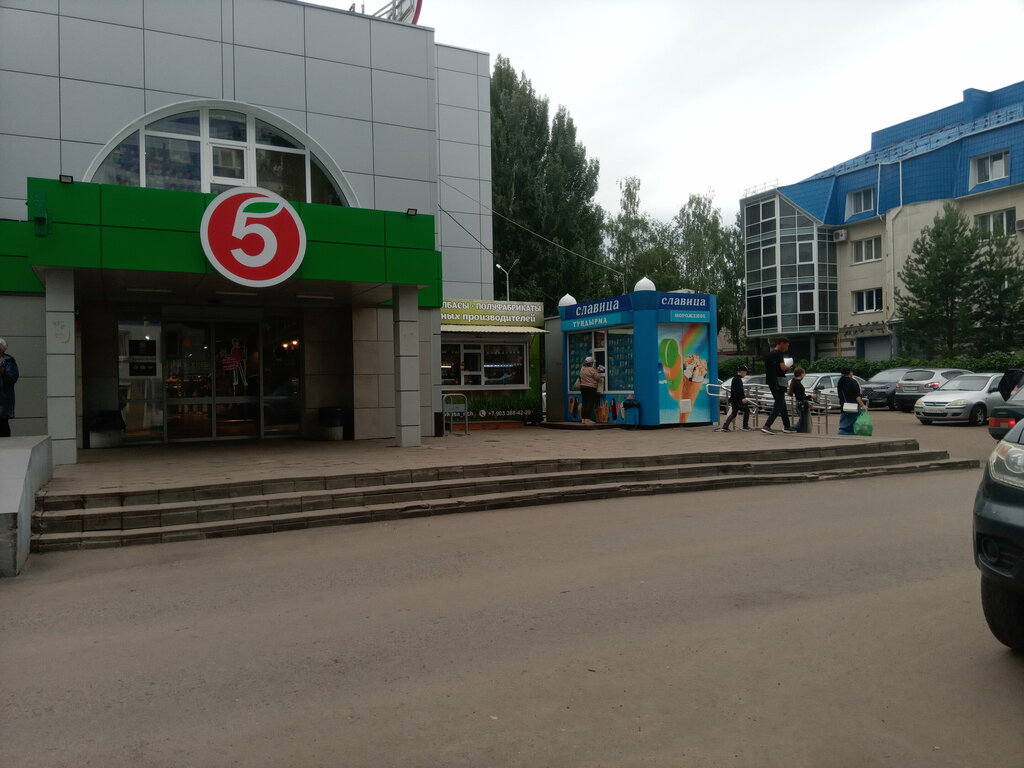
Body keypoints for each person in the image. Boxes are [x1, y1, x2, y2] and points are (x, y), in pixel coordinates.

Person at [760, 336, 795, 434]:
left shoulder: (769, 354)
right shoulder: (779, 353)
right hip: (779, 382)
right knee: (779, 404)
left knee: (782, 404)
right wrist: (789, 367)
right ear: (782, 343)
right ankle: (767, 425)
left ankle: (787, 426)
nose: (787, 348)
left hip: (771, 381)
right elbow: (782, 367)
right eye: (786, 345)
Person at [716, 364, 752, 432]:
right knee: (746, 410)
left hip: (734, 400)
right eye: (745, 372)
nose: (746, 374)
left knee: (734, 413)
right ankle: (745, 426)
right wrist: (743, 398)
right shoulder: (738, 379)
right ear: (742, 372)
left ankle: (725, 426)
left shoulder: (735, 378)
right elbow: (739, 390)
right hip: (738, 400)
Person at [837, 367, 866, 435]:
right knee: (853, 423)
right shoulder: (853, 382)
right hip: (853, 406)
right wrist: (863, 405)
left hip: (844, 406)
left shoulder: (840, 381)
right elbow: (857, 397)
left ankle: (842, 434)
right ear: (850, 373)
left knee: (844, 424)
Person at [0, 338, 19, 438]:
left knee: (2, 425)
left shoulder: (9, 361)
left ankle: (5, 446)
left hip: (3, 400)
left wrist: (3, 371)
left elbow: (12, 378)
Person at [578, 356, 602, 424]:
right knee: (590, 403)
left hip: (583, 387)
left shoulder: (582, 369)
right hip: (590, 388)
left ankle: (583, 419)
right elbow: (598, 377)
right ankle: (587, 419)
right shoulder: (591, 369)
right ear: (591, 363)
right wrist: (598, 372)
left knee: (584, 403)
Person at [788, 367, 809, 433]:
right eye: (804, 373)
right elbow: (802, 397)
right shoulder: (798, 384)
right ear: (801, 374)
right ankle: (790, 428)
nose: (804, 375)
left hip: (799, 403)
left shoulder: (795, 382)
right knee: (802, 421)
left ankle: (792, 428)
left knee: (802, 420)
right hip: (800, 404)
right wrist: (811, 396)